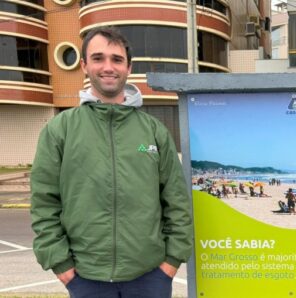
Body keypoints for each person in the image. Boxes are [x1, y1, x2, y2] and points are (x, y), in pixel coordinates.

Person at [30, 26, 193, 298]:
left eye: (116, 59)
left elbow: (176, 200)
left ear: (129, 67)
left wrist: (171, 262)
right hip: (85, 278)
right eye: (98, 58)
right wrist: (61, 265)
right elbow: (44, 202)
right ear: (84, 65)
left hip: (150, 277)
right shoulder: (60, 130)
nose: (108, 67)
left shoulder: (153, 131)